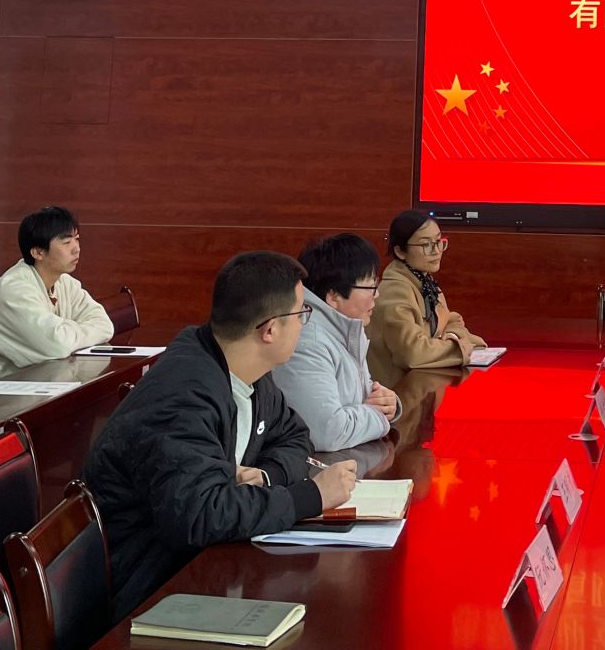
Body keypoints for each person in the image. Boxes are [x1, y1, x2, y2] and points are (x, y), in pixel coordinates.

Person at [82, 251, 358, 615]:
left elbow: (294, 435)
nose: (304, 325)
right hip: (149, 591)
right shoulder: (183, 396)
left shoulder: (246, 370)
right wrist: (310, 497)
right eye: (301, 314)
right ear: (270, 330)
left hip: (201, 567)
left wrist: (266, 476)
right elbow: (200, 515)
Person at [0, 206, 114, 393]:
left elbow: (105, 325)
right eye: (67, 242)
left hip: (23, 380)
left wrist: (65, 331)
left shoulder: (64, 282)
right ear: (37, 252)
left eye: (77, 239)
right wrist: (69, 332)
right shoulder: (14, 290)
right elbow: (57, 346)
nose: (76, 249)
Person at [278, 233, 399, 451]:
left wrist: (387, 403)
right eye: (370, 286)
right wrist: (379, 416)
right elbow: (327, 432)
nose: (377, 294)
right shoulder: (308, 340)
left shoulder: (344, 329)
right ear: (333, 296)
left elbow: (360, 399)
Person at [368, 211, 485, 387]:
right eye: (426, 244)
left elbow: (451, 320)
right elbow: (412, 353)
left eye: (438, 242)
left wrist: (452, 337)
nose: (436, 251)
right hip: (397, 394)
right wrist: (460, 347)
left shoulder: (425, 281)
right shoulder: (395, 291)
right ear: (400, 251)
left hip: (423, 387)